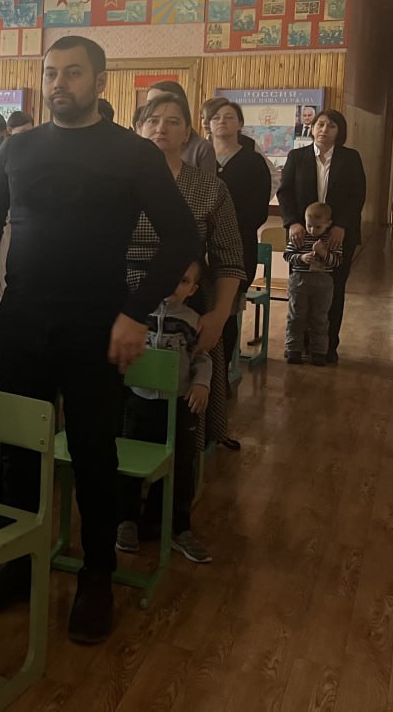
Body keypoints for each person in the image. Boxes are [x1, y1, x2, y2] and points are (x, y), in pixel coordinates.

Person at [0, 36, 199, 645]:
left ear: (99, 82)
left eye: (72, 73)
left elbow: (180, 237)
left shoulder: (132, 153)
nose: (59, 83)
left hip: (99, 324)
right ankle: (19, 562)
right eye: (51, 73)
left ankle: (97, 574)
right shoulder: (18, 148)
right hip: (24, 319)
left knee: (94, 454)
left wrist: (135, 312)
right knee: (18, 449)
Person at [122, 93, 246, 564]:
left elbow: (230, 256)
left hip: (187, 308)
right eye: (152, 120)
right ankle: (123, 514)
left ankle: (173, 520)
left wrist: (219, 314)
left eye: (173, 121)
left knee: (182, 424)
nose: (162, 128)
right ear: (138, 128)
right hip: (124, 303)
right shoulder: (118, 181)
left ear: (189, 132)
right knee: (125, 418)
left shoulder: (208, 187)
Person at [116, 260, 213, 562]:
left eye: (183, 281)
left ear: (192, 289)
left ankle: (177, 527)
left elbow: (202, 358)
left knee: (180, 466)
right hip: (139, 402)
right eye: (170, 276)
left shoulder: (193, 321)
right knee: (130, 464)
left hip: (179, 405)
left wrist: (201, 384)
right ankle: (127, 520)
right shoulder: (137, 316)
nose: (174, 285)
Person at [202, 97, 272, 434]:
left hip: (236, 247)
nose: (222, 122)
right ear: (207, 123)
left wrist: (222, 227)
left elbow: (257, 211)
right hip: (197, 249)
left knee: (226, 314)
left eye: (229, 117)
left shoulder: (253, 162)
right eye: (216, 117)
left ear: (240, 124)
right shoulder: (200, 156)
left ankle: (219, 379)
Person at [277, 109, 365, 364]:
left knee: (332, 292)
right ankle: (298, 344)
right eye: (320, 124)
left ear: (340, 131)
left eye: (332, 126)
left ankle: (326, 346)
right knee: (301, 291)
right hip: (302, 236)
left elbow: (357, 195)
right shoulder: (297, 156)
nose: (325, 129)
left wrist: (341, 225)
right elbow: (285, 193)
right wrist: (292, 223)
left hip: (338, 236)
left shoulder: (350, 158)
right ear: (312, 128)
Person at [283, 202, 341, 366]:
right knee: (296, 316)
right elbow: (287, 255)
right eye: (309, 225)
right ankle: (294, 349)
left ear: (328, 224)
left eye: (318, 227)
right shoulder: (300, 236)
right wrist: (301, 258)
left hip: (323, 284)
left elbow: (336, 261)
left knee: (319, 318)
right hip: (299, 281)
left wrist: (323, 253)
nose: (312, 230)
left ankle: (319, 351)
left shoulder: (331, 240)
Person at [146, 80, 215, 172]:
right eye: (150, 103)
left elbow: (207, 180)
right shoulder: (143, 143)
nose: (155, 106)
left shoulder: (201, 148)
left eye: (162, 101)